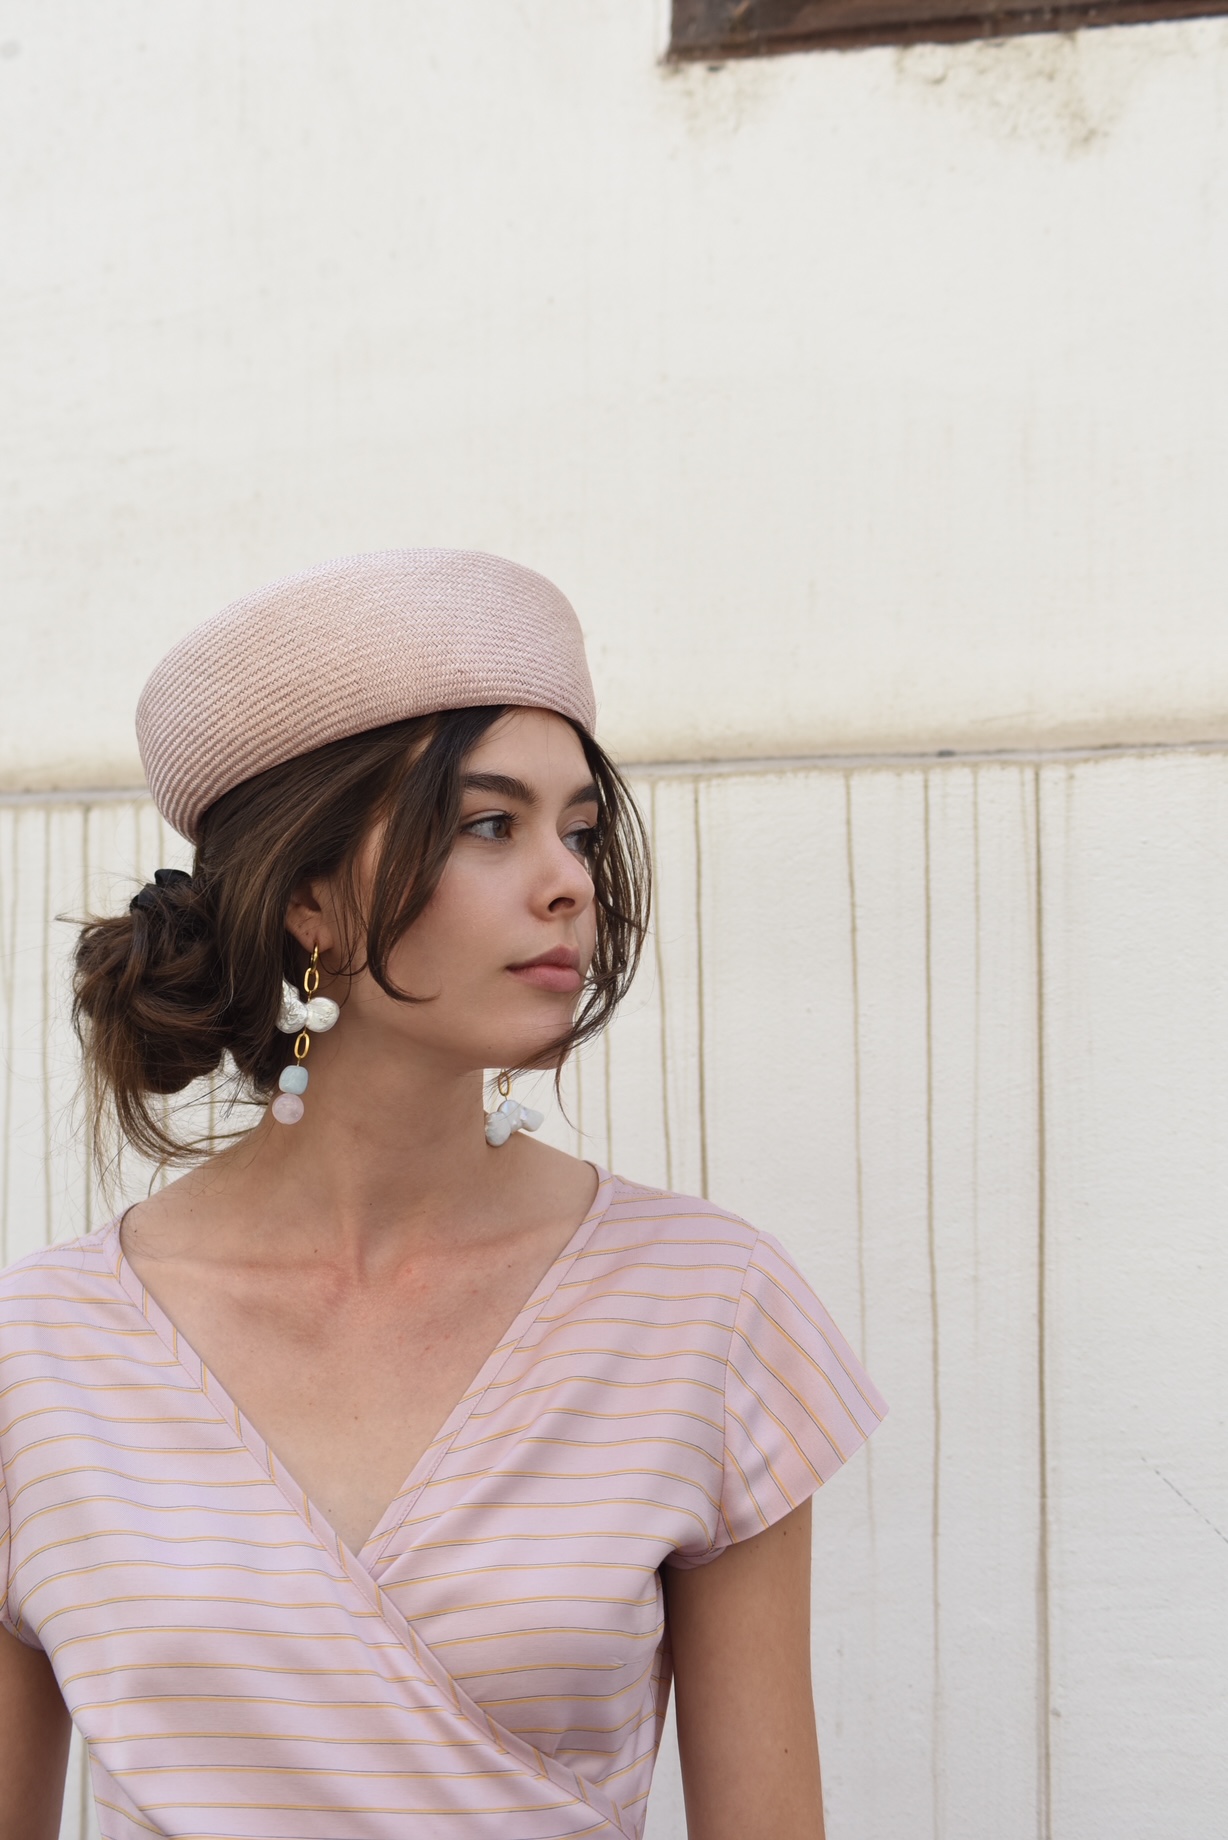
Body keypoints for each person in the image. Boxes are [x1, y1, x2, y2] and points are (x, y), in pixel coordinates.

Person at [0, 550, 885, 1840]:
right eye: (488, 825)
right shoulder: (41, 1356)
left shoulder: (707, 1305)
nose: (570, 882)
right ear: (309, 897)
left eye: (580, 830)